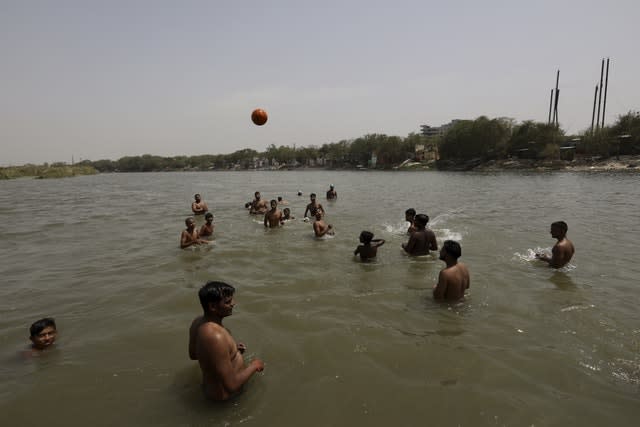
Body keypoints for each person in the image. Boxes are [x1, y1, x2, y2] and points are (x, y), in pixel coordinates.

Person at [188, 281, 264, 401]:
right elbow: (232, 386)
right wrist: (254, 366)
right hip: (225, 399)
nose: (233, 303)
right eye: (227, 302)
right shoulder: (215, 336)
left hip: (210, 389)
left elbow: (193, 355)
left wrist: (228, 352)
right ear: (212, 307)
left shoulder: (198, 322)